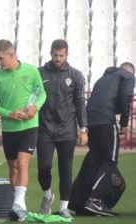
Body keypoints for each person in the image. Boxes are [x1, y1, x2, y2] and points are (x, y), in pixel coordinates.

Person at [0, 39, 46, 222]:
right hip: (9, 129)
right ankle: (19, 205)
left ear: (11, 55)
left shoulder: (31, 70)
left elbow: (42, 93)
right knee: (13, 169)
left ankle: (19, 204)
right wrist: (8, 114)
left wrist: (35, 107)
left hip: (29, 127)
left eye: (0, 58)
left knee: (22, 163)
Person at [37, 39, 88, 218]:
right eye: (55, 55)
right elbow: (33, 98)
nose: (58, 58)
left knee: (66, 168)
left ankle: (64, 207)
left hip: (67, 130)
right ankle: (47, 196)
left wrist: (83, 129)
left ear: (67, 55)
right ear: (50, 53)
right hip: (44, 129)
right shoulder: (39, 73)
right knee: (43, 167)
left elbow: (80, 103)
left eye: (61, 55)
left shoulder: (76, 75)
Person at [83, 62, 135, 216]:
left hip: (91, 122)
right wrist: (124, 123)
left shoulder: (103, 79)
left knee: (98, 162)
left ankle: (86, 201)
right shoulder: (128, 77)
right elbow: (126, 98)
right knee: (109, 162)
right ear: (131, 72)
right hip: (106, 121)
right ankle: (95, 201)